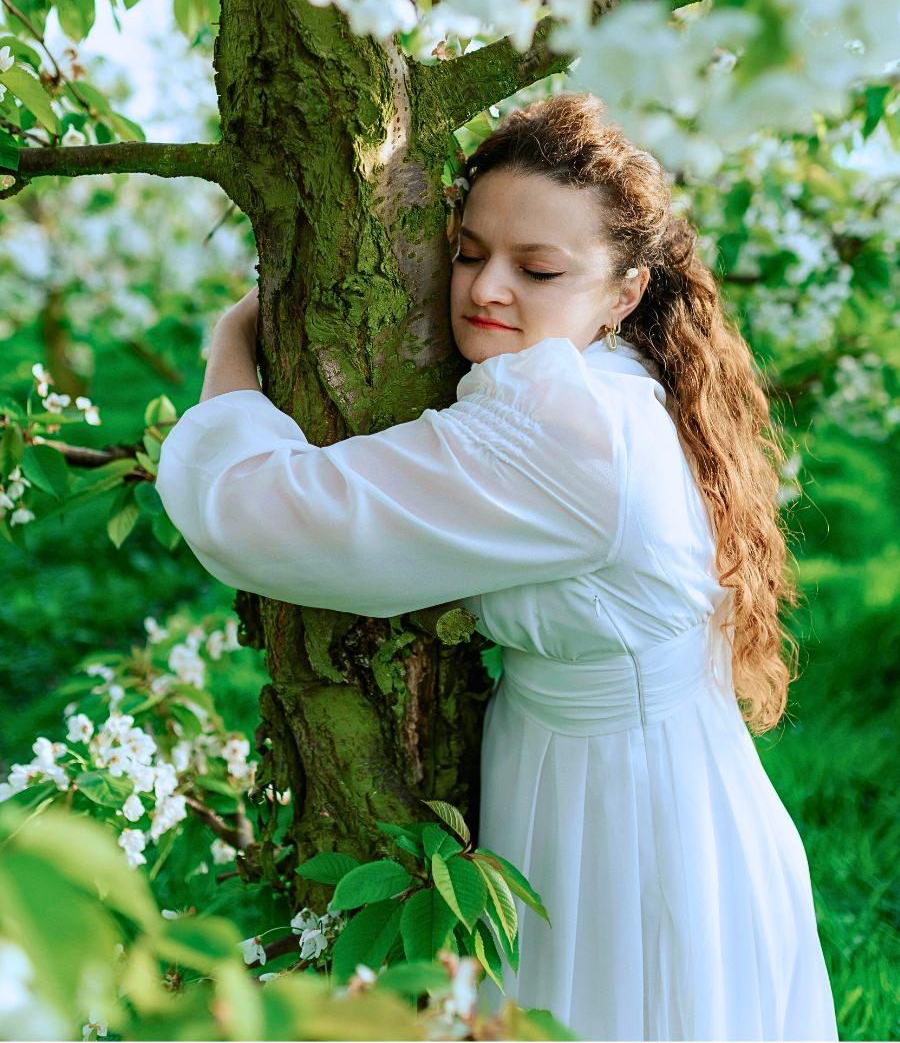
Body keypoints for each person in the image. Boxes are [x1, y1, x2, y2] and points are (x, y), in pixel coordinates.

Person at [155, 92, 839, 1041]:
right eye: (470, 252)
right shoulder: (618, 381)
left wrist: (233, 347)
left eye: (540, 268)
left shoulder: (564, 427)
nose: (486, 289)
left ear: (625, 292)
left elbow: (257, 515)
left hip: (627, 824)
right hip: (633, 784)